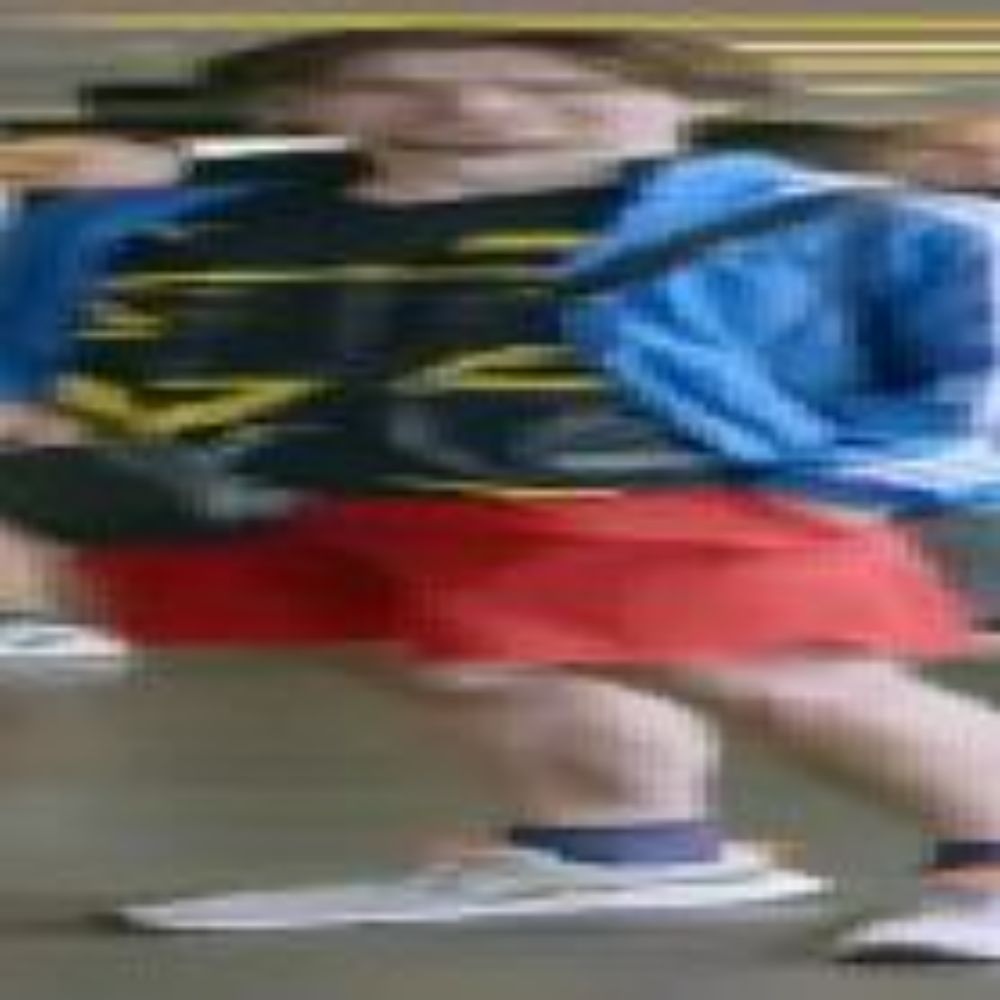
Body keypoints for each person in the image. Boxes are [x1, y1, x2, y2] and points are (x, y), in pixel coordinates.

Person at [2, 30, 1000, 962]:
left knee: (790, 683)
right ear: (305, 101)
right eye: (393, 85)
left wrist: (861, 483)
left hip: (645, 491)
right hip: (301, 492)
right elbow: (119, 332)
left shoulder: (829, 216)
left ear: (687, 96)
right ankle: (618, 843)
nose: (477, 110)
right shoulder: (183, 217)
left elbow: (977, 352)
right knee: (461, 670)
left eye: (553, 87)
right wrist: (73, 426)